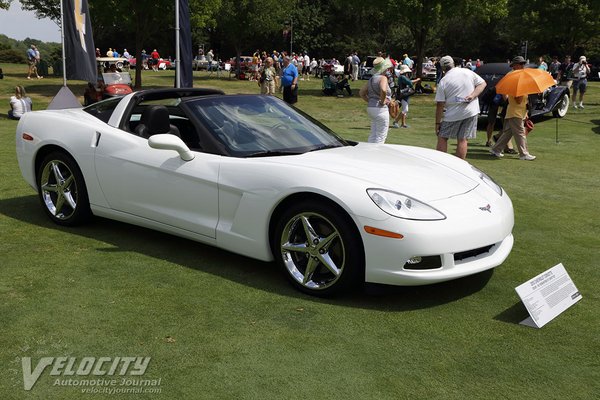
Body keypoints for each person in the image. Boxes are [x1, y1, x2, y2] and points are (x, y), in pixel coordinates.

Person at [434, 55, 486, 159]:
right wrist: (473, 95)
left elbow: (440, 104)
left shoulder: (444, 81)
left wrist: (437, 123)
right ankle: (460, 166)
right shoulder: (467, 72)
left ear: (442, 67)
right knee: (463, 139)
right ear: (452, 63)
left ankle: (440, 162)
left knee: (442, 137)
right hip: (471, 111)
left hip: (452, 114)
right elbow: (483, 83)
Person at [490, 56, 536, 161]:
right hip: (516, 110)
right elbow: (518, 99)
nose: (522, 66)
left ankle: (496, 150)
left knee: (508, 132)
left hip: (518, 110)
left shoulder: (519, 76)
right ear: (515, 65)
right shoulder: (513, 76)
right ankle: (524, 154)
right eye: (520, 64)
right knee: (519, 133)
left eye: (522, 64)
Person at [359, 57, 392, 143]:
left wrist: (369, 101)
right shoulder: (383, 78)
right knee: (381, 136)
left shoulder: (371, 79)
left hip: (371, 108)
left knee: (373, 134)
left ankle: (369, 153)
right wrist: (382, 101)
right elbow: (383, 90)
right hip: (380, 109)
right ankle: (377, 155)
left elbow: (362, 93)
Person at [392, 65, 420, 129]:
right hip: (404, 95)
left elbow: (409, 83)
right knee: (405, 110)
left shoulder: (402, 77)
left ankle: (403, 124)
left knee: (404, 109)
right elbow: (410, 83)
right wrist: (417, 80)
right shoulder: (403, 77)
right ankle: (396, 121)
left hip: (404, 94)